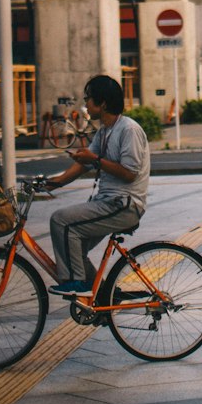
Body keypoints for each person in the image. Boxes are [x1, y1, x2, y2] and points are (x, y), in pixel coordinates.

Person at [44, 74, 150, 294]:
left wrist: (96, 160)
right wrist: (54, 182)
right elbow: (86, 164)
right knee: (74, 247)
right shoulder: (104, 131)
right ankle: (104, 298)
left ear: (102, 103)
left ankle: (75, 283)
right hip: (108, 202)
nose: (85, 105)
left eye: (88, 99)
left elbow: (130, 174)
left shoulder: (128, 130)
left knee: (61, 221)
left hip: (124, 204)